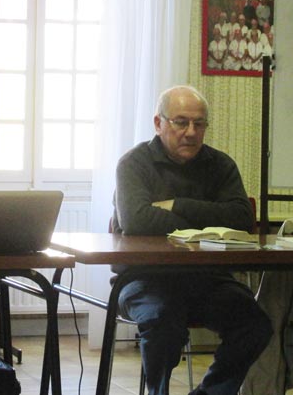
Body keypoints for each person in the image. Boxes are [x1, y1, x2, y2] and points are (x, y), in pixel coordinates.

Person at [111, 85, 272, 395]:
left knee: (255, 325)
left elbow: (241, 219)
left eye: (199, 124)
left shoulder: (220, 165)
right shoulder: (133, 164)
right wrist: (208, 221)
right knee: (163, 321)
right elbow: (137, 221)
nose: (191, 132)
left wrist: (176, 206)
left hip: (208, 279)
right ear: (158, 123)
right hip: (144, 279)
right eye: (181, 122)